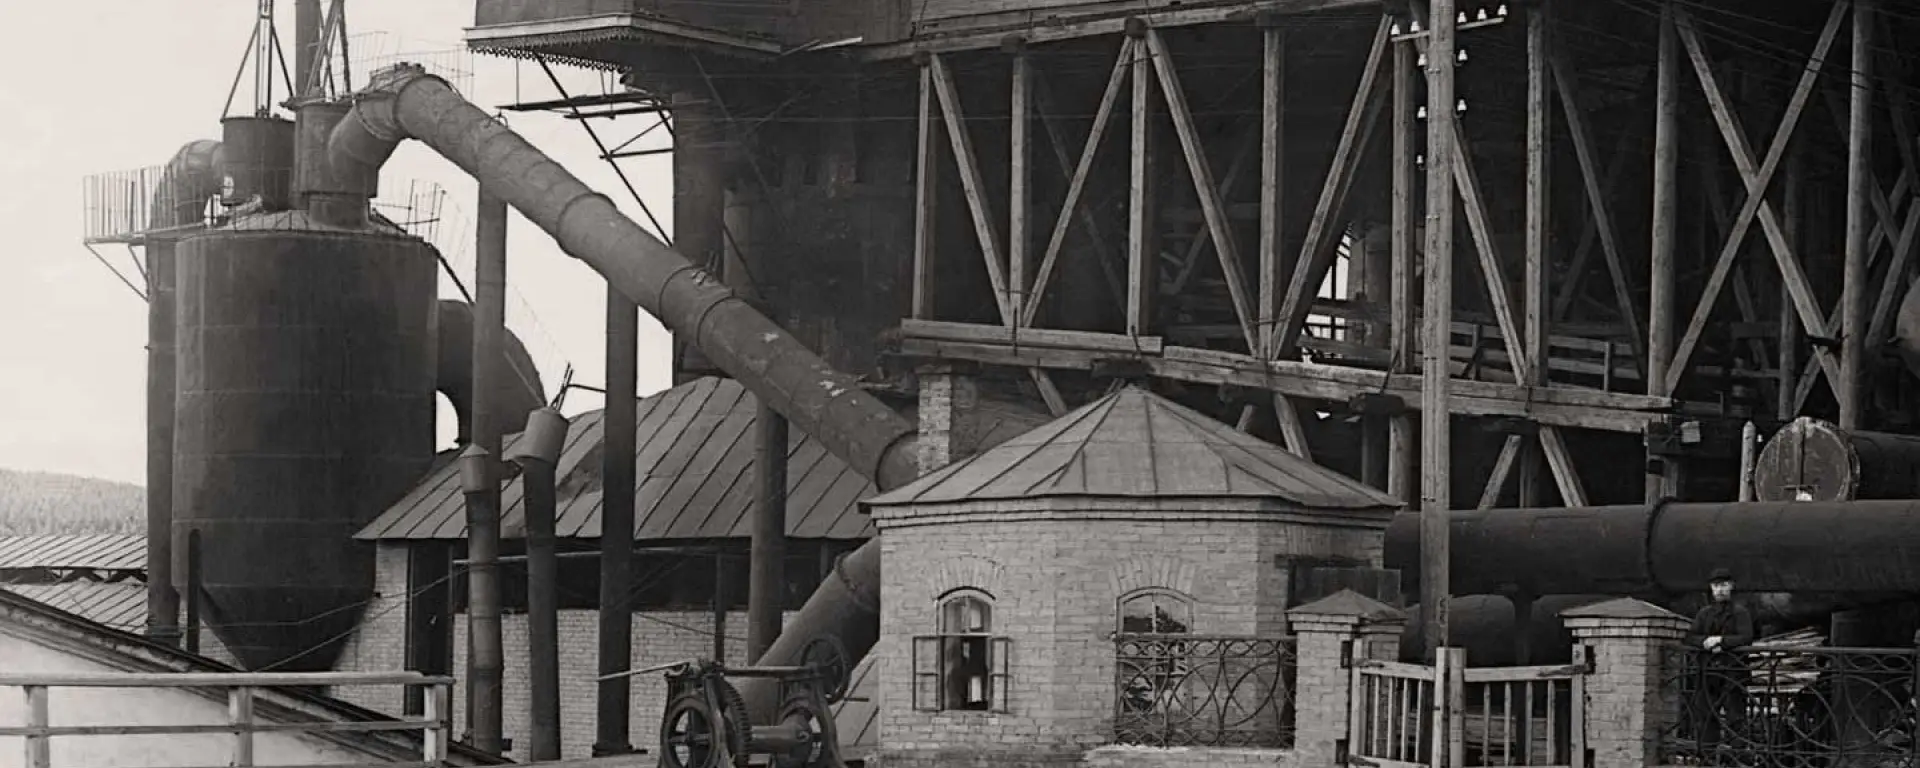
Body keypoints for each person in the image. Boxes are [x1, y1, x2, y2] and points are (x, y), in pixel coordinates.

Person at [1684, 568, 1754, 755]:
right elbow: (1690, 637)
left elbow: (1746, 637)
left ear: (1731, 586)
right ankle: (1707, 757)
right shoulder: (1704, 613)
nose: (1720, 590)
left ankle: (1739, 758)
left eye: (1723, 585)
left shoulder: (1740, 612)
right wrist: (1705, 642)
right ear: (1711, 588)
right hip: (1707, 672)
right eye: (1716, 586)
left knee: (1736, 717)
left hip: (1733, 672)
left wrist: (1722, 641)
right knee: (1705, 716)